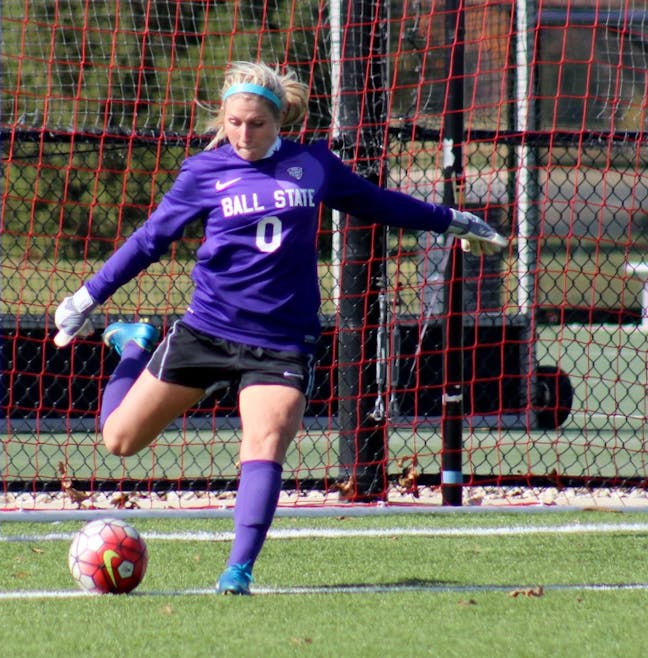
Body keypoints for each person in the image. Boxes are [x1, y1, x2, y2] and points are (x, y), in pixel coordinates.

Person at [54, 61, 506, 595]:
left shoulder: (312, 166)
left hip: (280, 342)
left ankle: (237, 571)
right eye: (235, 122)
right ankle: (134, 346)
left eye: (257, 124)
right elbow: (149, 240)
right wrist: (85, 298)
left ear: (279, 120)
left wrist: (453, 220)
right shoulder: (203, 172)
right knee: (119, 440)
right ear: (224, 119)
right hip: (207, 330)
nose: (244, 134)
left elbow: (379, 203)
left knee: (264, 440)